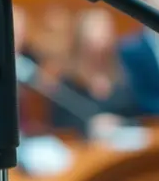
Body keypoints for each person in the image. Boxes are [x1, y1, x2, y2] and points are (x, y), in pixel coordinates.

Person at [50, 8, 137, 137]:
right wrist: (90, 125)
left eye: (106, 30)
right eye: (97, 31)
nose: (103, 37)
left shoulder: (122, 71)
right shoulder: (69, 78)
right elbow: (61, 124)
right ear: (82, 38)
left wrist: (120, 122)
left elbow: (136, 114)